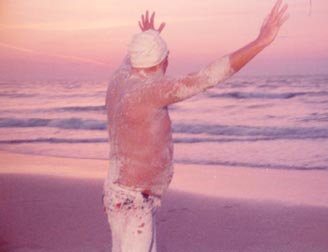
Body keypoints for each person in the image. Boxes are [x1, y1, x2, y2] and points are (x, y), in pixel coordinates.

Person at [103, 1, 289, 251]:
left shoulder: (120, 78)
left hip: (119, 193)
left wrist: (150, 37)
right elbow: (207, 77)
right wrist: (261, 41)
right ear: (162, 61)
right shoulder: (151, 91)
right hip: (134, 202)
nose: (169, 62)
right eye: (167, 57)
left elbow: (133, 56)